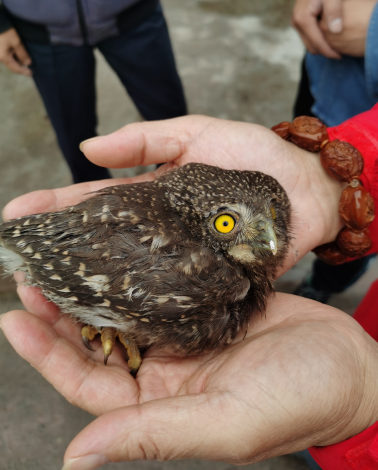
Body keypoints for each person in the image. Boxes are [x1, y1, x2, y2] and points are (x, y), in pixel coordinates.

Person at [1, 104, 378, 470]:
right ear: (198, 223)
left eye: (272, 218)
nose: (269, 239)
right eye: (227, 224)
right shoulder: (209, 275)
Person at [0, 0, 187, 184]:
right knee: (73, 133)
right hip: (40, 30)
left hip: (135, 15)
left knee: (169, 118)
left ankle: (180, 188)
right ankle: (93, 205)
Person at [292, 0, 378, 304]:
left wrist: (374, 29)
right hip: (327, 69)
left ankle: (324, 282)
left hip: (363, 88)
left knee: (351, 239)